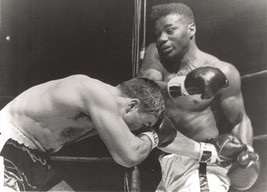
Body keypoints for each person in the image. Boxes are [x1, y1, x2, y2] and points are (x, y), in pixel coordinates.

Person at [139, 3, 260, 192]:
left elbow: (239, 119)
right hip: (169, 165)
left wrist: (246, 152)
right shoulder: (157, 56)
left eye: (170, 30)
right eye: (158, 34)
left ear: (191, 29)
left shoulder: (224, 71)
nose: (162, 38)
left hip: (203, 165)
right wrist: (183, 86)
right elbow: (143, 89)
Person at [0, 74, 166, 191]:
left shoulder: (102, 109)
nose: (139, 130)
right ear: (131, 106)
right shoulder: (96, 93)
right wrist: (155, 136)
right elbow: (130, 155)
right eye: (144, 124)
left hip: (31, 155)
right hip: (7, 141)